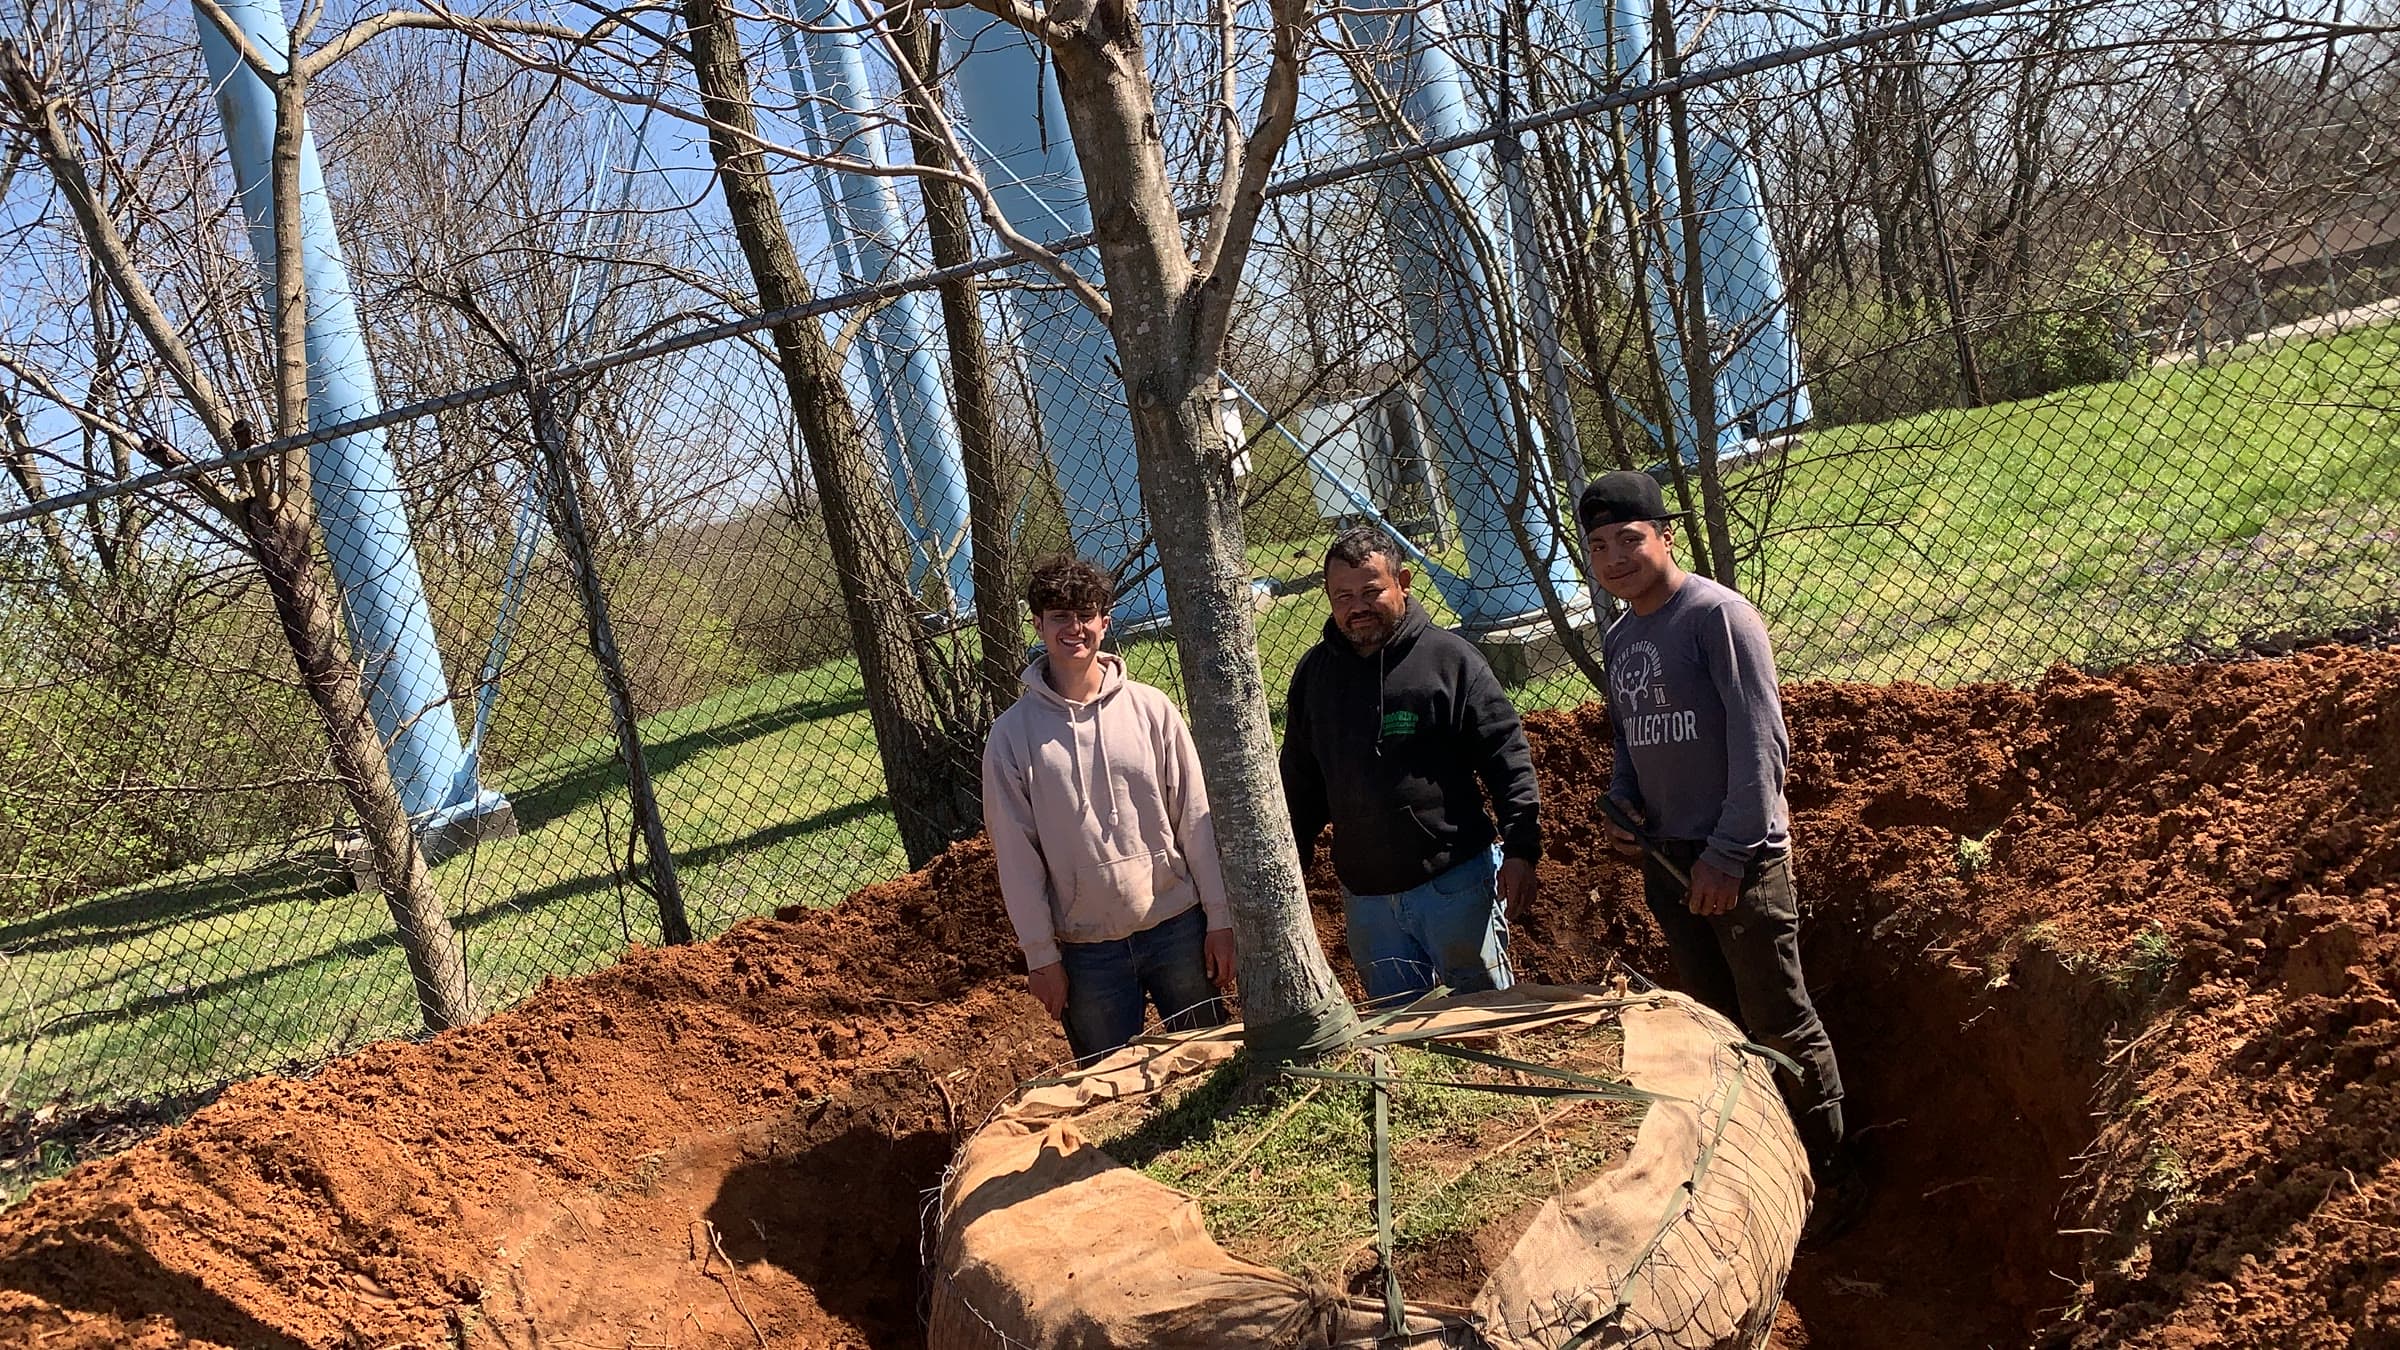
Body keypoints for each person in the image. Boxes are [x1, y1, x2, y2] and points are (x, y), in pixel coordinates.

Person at [1581, 469, 1863, 1236]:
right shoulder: (1623, 635)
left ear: (1665, 536)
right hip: (1668, 859)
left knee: (1779, 1020)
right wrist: (1624, 799)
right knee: (1719, 1026)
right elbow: (1633, 740)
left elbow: (1762, 743)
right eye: (1599, 545)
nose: (1615, 557)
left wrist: (1730, 855)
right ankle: (1757, 1179)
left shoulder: (1717, 617)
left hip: (1737, 863)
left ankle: (1834, 1179)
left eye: (1629, 539)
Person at [982, 555, 1236, 1064]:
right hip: (1085, 951)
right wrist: (1040, 955)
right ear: (1038, 624)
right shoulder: (1011, 737)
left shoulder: (1151, 709)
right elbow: (1015, 857)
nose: (1073, 629)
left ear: (1105, 619)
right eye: (1058, 616)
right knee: (1104, 1091)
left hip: (1176, 927)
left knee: (1212, 1068)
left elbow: (1195, 816)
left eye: (1085, 614)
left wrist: (1220, 918)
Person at [1279, 526, 1541, 1003]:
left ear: (1403, 582)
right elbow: (1300, 780)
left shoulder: (1451, 661)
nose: (1356, 606)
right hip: (1369, 902)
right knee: (1399, 1035)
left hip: (1455, 885)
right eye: (1343, 596)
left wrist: (1523, 849)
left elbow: (1507, 756)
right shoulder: (1314, 677)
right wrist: (1290, 861)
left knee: (1486, 1022)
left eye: (1371, 590)